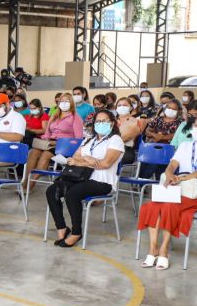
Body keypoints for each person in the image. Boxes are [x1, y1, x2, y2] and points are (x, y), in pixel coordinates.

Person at [138, 113, 197, 270]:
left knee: (170, 206)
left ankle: (164, 250)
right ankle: (153, 248)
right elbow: (173, 164)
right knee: (152, 206)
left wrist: (183, 178)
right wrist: (169, 173)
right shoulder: (185, 146)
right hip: (180, 188)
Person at [46, 110, 124, 248]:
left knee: (72, 194)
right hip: (81, 177)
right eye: (98, 121)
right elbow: (74, 158)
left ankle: (76, 232)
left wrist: (84, 160)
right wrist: (88, 160)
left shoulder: (115, 140)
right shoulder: (89, 140)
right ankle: (62, 228)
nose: (100, 124)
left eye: (104, 121)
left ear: (112, 123)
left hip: (103, 181)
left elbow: (105, 164)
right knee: (52, 190)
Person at [23, 93, 83, 190]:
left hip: (64, 146)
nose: (64, 103)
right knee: (33, 152)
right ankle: (25, 181)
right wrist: (45, 139)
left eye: (66, 101)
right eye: (61, 101)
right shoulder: (54, 116)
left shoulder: (75, 118)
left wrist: (58, 143)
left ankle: (30, 185)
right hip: (49, 143)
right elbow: (47, 133)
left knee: (46, 154)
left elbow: (78, 139)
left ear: (71, 103)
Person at [139, 99, 183, 179]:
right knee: (147, 160)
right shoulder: (158, 119)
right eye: (169, 108)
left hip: (169, 150)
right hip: (152, 147)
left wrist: (161, 137)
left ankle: (146, 181)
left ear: (179, 111)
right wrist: (155, 135)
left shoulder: (180, 122)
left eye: (173, 109)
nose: (170, 110)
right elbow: (147, 131)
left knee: (156, 160)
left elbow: (176, 135)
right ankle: (142, 180)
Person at [115, 97, 146, 165]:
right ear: (116, 108)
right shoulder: (112, 121)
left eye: (125, 105)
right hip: (109, 147)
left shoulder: (135, 121)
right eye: (119, 105)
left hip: (125, 150)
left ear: (131, 108)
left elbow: (126, 137)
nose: (122, 107)